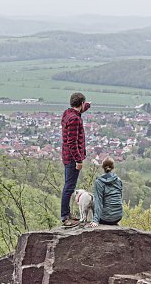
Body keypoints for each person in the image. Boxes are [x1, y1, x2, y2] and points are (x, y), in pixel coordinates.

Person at [61, 92, 90, 227]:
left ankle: (66, 214)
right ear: (81, 103)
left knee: (69, 186)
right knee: (69, 187)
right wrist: (78, 160)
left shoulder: (68, 114)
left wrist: (87, 105)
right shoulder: (75, 120)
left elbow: (79, 110)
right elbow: (72, 142)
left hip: (67, 156)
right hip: (72, 158)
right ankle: (65, 217)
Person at [88, 157, 123, 228]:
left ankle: (90, 219)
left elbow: (98, 201)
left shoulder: (99, 182)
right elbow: (120, 197)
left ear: (103, 167)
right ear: (112, 167)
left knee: (92, 200)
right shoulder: (118, 180)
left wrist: (95, 221)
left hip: (105, 219)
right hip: (118, 217)